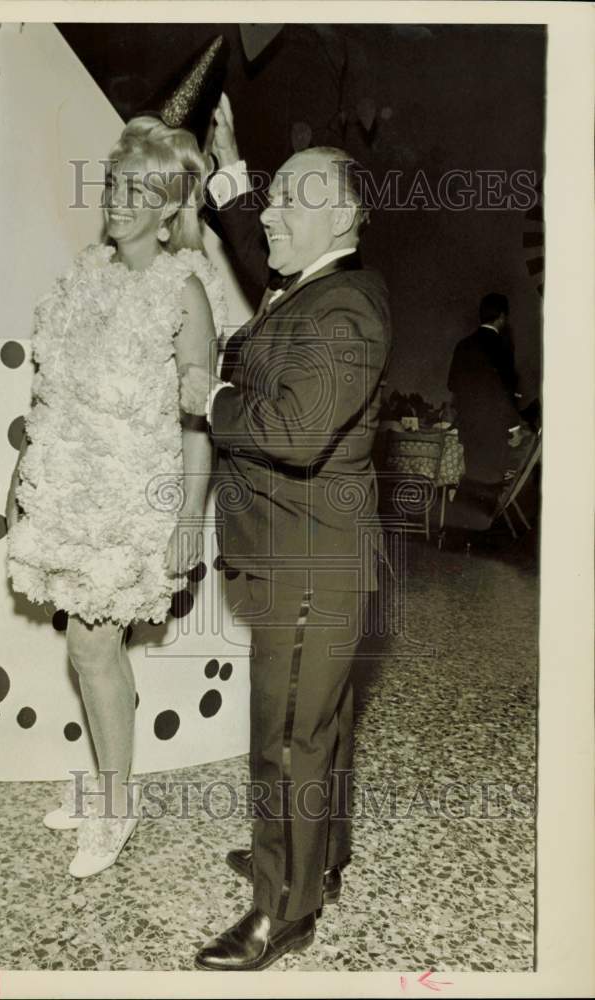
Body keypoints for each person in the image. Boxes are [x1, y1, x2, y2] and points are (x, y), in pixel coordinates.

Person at [180, 94, 392, 970]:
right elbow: (251, 237)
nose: (270, 210)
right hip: (308, 557)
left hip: (307, 563)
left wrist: (211, 396)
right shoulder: (310, 287)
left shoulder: (343, 311)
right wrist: (233, 172)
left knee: (282, 740)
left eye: (291, 197)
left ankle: (283, 910)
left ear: (341, 215)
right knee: (322, 728)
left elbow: (298, 432)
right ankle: (317, 860)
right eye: (269, 198)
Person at [5, 115, 225, 878]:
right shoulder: (83, 277)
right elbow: (49, 399)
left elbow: (200, 422)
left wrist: (190, 519)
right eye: (116, 183)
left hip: (137, 498)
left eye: (142, 189)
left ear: (170, 207)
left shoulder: (185, 292)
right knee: (93, 651)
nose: (120, 200)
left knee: (91, 647)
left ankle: (116, 806)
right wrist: (24, 484)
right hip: (71, 492)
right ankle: (107, 788)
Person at [446, 292, 530, 529]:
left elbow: (452, 384)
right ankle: (477, 534)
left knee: (472, 475)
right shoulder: (502, 348)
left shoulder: (463, 345)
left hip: (469, 426)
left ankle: (458, 532)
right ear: (502, 317)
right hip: (495, 428)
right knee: (492, 480)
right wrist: (514, 427)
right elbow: (507, 393)